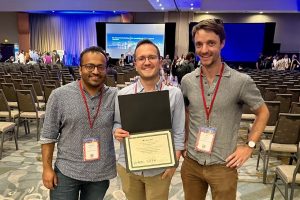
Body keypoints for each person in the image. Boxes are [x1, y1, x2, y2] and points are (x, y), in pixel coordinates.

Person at [180, 19, 269, 200]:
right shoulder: (187, 81)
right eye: (199, 44)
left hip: (223, 165)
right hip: (191, 163)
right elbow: (188, 111)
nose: (204, 50)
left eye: (211, 43)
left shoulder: (241, 81)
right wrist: (184, 139)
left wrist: (249, 146)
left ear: (222, 43)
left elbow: (263, 112)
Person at [40, 46, 117, 200]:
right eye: (90, 66)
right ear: (80, 69)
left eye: (100, 67)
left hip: (100, 174)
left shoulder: (115, 96)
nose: (95, 71)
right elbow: (48, 136)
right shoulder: (60, 96)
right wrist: (47, 168)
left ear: (106, 69)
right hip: (67, 171)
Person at [113, 39, 185, 200]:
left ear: (160, 61)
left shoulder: (174, 94)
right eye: (141, 58)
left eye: (152, 57)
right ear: (135, 64)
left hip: (160, 167)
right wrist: (116, 131)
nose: (147, 62)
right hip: (129, 166)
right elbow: (117, 123)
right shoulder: (123, 94)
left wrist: (174, 162)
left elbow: (179, 131)